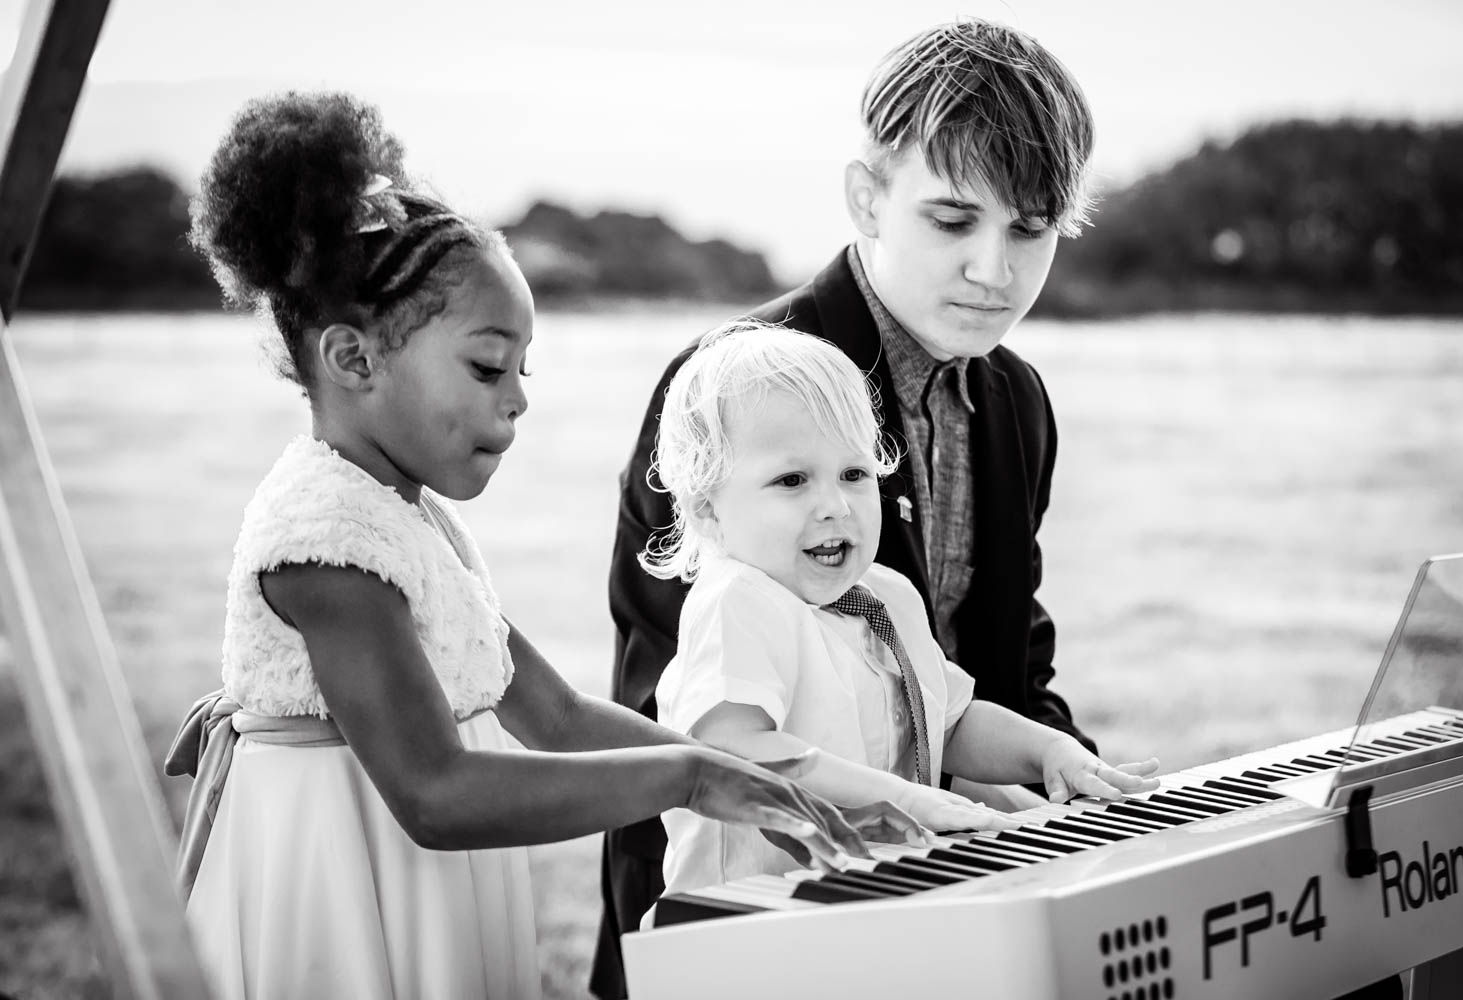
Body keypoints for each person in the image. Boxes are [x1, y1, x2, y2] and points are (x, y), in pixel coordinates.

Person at [164, 91, 888, 1000]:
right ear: (354, 361)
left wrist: (739, 767)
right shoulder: (324, 542)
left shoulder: (411, 519)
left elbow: (553, 717)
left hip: (425, 882)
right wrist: (684, 778)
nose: (517, 399)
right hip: (349, 880)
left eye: (523, 369)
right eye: (484, 366)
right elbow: (435, 795)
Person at [592, 18, 1103, 997]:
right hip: (745, 929)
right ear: (868, 196)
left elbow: (1008, 665)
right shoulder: (724, 387)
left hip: (950, 908)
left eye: (1030, 230)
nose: (994, 271)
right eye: (954, 221)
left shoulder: (1019, 401)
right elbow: (670, 728)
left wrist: (1090, 790)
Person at [643, 323, 1160, 904]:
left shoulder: (886, 595)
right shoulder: (738, 600)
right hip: (746, 920)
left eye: (855, 474)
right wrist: (906, 798)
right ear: (707, 509)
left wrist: (1048, 751)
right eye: (792, 480)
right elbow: (738, 751)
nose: (835, 507)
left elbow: (951, 721)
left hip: (877, 899)